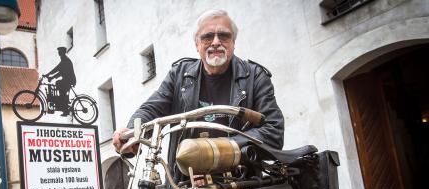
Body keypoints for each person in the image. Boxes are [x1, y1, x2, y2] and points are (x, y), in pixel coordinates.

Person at [113, 9, 284, 177]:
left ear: (233, 42)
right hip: (185, 184)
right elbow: (153, 108)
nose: (215, 41)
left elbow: (273, 130)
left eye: (223, 36)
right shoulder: (179, 75)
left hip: (241, 181)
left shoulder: (254, 76)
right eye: (207, 36)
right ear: (197, 45)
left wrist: (216, 149)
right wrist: (131, 132)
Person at [44, 47, 77, 116]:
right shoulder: (63, 60)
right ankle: (63, 104)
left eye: (60, 51)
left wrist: (50, 76)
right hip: (67, 79)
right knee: (58, 84)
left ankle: (65, 108)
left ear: (63, 52)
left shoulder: (66, 60)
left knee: (59, 84)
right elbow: (58, 69)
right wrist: (49, 75)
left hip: (69, 80)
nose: (59, 53)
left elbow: (59, 70)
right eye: (58, 51)